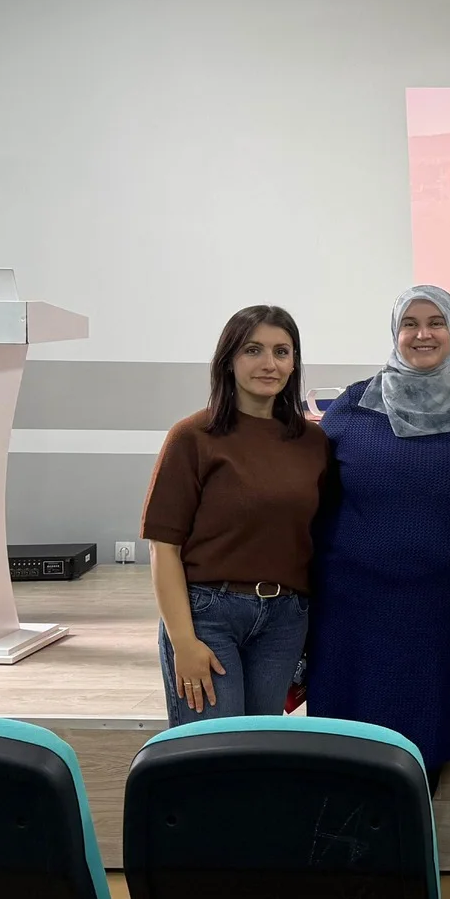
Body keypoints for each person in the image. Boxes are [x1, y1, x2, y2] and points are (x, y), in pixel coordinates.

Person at [307, 285, 450, 792]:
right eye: (410, 324)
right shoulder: (354, 405)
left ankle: (418, 803)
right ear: (394, 332)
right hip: (356, 596)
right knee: (352, 713)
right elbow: (318, 487)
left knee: (434, 706)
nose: (423, 334)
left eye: (436, 322)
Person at [143, 305, 330, 724]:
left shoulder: (313, 442)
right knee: (214, 748)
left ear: (294, 363)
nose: (269, 364)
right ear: (228, 360)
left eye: (281, 352)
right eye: (253, 350)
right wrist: (183, 642)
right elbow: (163, 548)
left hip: (285, 621)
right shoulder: (192, 437)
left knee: (259, 748)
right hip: (208, 616)